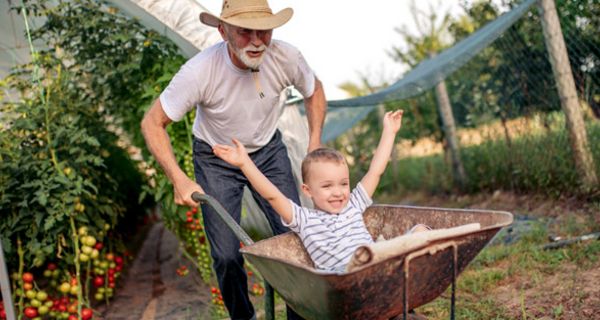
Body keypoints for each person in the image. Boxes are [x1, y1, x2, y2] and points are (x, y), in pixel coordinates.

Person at [140, 0, 326, 318]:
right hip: (216, 158)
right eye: (244, 32)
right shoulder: (200, 71)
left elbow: (315, 90)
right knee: (226, 254)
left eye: (263, 31)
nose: (256, 41)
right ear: (223, 30)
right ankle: (244, 316)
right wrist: (178, 178)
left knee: (295, 238)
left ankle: (299, 315)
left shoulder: (287, 57)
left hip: (267, 152)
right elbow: (151, 122)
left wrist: (315, 144)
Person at [213, 110, 428, 272]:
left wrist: (389, 133)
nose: (338, 192)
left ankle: (402, 268)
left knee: (420, 230)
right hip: (346, 276)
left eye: (343, 184)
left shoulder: (354, 204)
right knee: (363, 257)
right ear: (308, 191)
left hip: (378, 264)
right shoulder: (303, 219)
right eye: (327, 186)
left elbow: (375, 171)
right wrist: (245, 163)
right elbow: (272, 195)